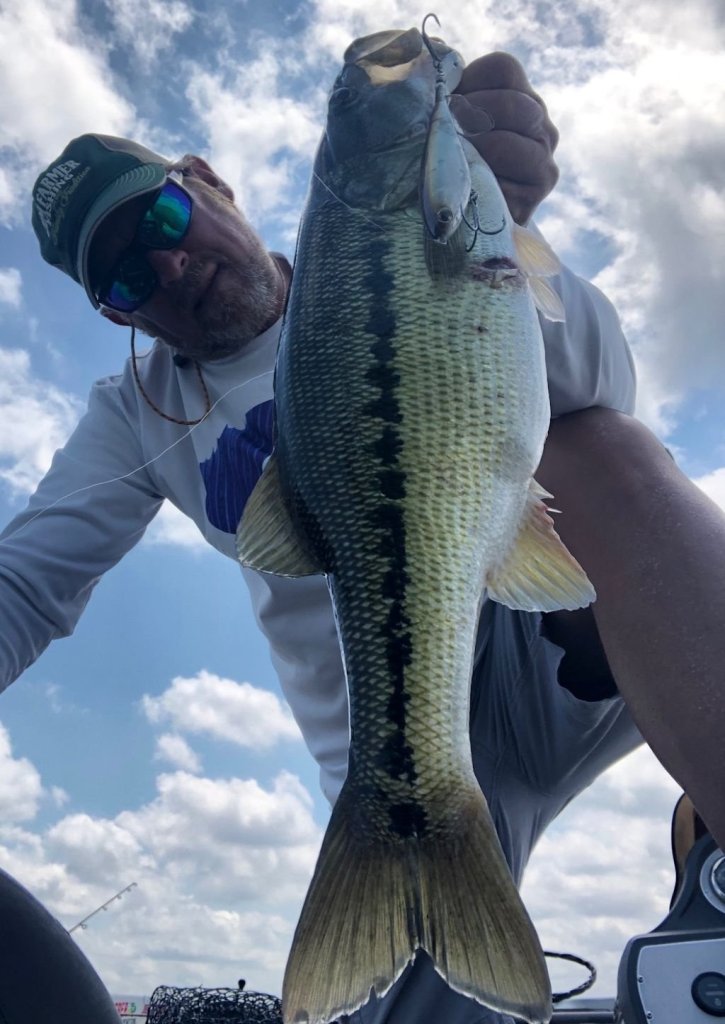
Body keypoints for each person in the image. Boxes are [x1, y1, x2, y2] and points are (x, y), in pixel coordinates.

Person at [1, 46, 723, 1024]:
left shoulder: (401, 242)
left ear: (207, 181)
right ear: (114, 313)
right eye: (126, 279)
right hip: (388, 745)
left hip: (551, 649)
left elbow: (599, 389)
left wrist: (503, 229)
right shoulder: (134, 411)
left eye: (162, 221)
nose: (166, 265)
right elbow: (24, 582)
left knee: (610, 453)